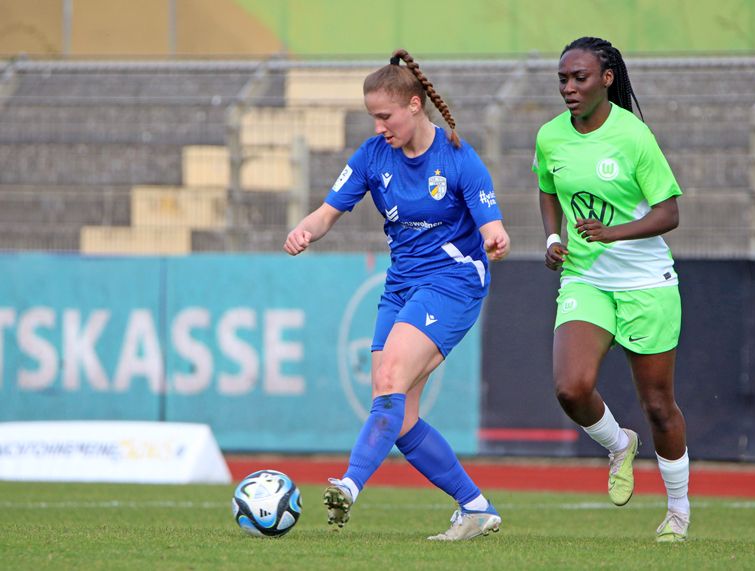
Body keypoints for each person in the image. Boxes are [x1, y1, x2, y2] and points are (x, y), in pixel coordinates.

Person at [284, 49, 510, 541]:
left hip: (453, 282)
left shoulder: (457, 158)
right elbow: (327, 212)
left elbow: (493, 225)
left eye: (385, 116)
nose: (379, 126)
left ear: (414, 105)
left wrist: (496, 238)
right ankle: (475, 506)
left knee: (388, 376)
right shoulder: (371, 156)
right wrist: (304, 231)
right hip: (402, 285)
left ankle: (349, 485)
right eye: (373, 117)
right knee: (398, 416)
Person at [532, 36, 690, 542]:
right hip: (586, 276)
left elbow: (669, 212)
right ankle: (618, 443)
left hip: (646, 281)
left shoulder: (633, 136)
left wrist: (614, 232)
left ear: (606, 79)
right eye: (562, 78)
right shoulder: (551, 137)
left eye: (579, 78)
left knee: (659, 405)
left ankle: (678, 511)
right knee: (570, 387)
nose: (569, 88)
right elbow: (547, 189)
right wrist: (555, 237)